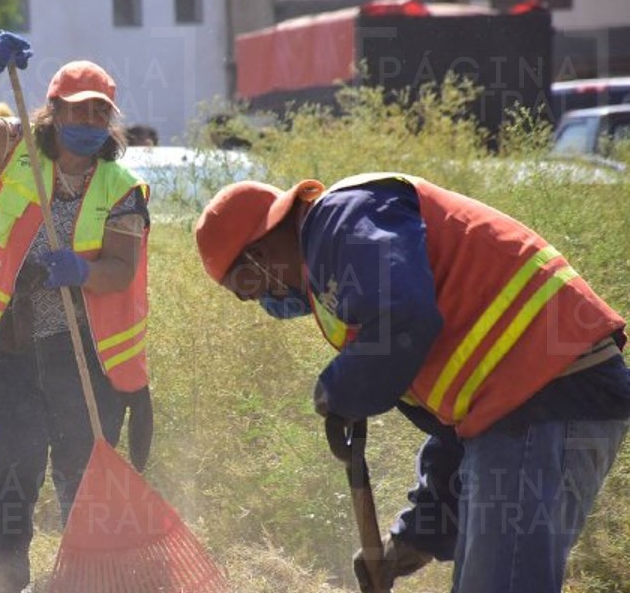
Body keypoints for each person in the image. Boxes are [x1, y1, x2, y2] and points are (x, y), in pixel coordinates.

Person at [194, 173, 630, 593]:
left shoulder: (340, 221)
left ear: (260, 254)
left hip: (548, 392)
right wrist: (412, 540)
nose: (259, 301)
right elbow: (456, 429)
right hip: (536, 401)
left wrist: (340, 390)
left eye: (244, 288)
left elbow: (403, 318)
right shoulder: (345, 276)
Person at [0, 31, 153, 593]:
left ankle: (86, 576)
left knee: (82, 467)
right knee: (13, 460)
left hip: (81, 347)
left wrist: (84, 273)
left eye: (97, 112)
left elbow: (122, 268)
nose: (86, 120)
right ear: (53, 110)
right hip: (8, 343)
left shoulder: (122, 188)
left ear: (109, 121)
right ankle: (1, 574)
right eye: (76, 109)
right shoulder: (14, 151)